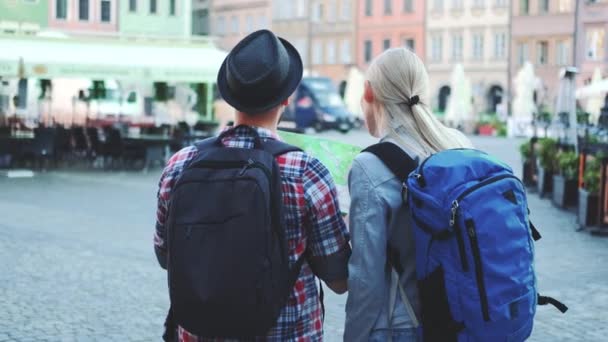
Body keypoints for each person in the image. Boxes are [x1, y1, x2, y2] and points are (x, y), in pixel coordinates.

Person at [154, 29, 351, 341]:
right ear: (287, 97)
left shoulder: (181, 164)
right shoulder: (306, 172)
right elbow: (339, 279)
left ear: (229, 95)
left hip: (202, 331)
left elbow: (166, 257)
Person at [344, 48, 472, 342]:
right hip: (461, 317)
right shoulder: (460, 144)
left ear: (368, 93)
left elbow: (366, 280)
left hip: (401, 323)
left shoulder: (369, 166)